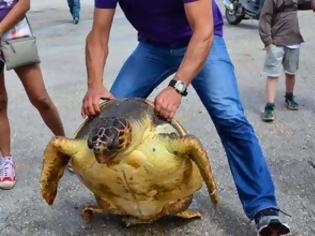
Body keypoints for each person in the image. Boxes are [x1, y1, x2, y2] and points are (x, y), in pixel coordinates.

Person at [81, 0, 291, 235]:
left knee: (229, 116)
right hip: (152, 48)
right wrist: (95, 85)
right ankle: (122, 197)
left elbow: (203, 30)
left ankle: (263, 207)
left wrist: (177, 86)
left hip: (200, 41)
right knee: (108, 118)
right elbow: (99, 35)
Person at [0, 0, 65, 190]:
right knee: (0, 102)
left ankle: (65, 146)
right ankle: (6, 160)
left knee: (40, 98)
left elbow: (24, 4)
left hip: (15, 32)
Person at [259, 0, 315, 122]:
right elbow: (264, 18)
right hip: (276, 42)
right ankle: (269, 106)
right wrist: (267, 42)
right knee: (273, 75)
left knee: (291, 73)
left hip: (294, 41)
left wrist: (311, 4)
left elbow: (301, 4)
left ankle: (289, 97)